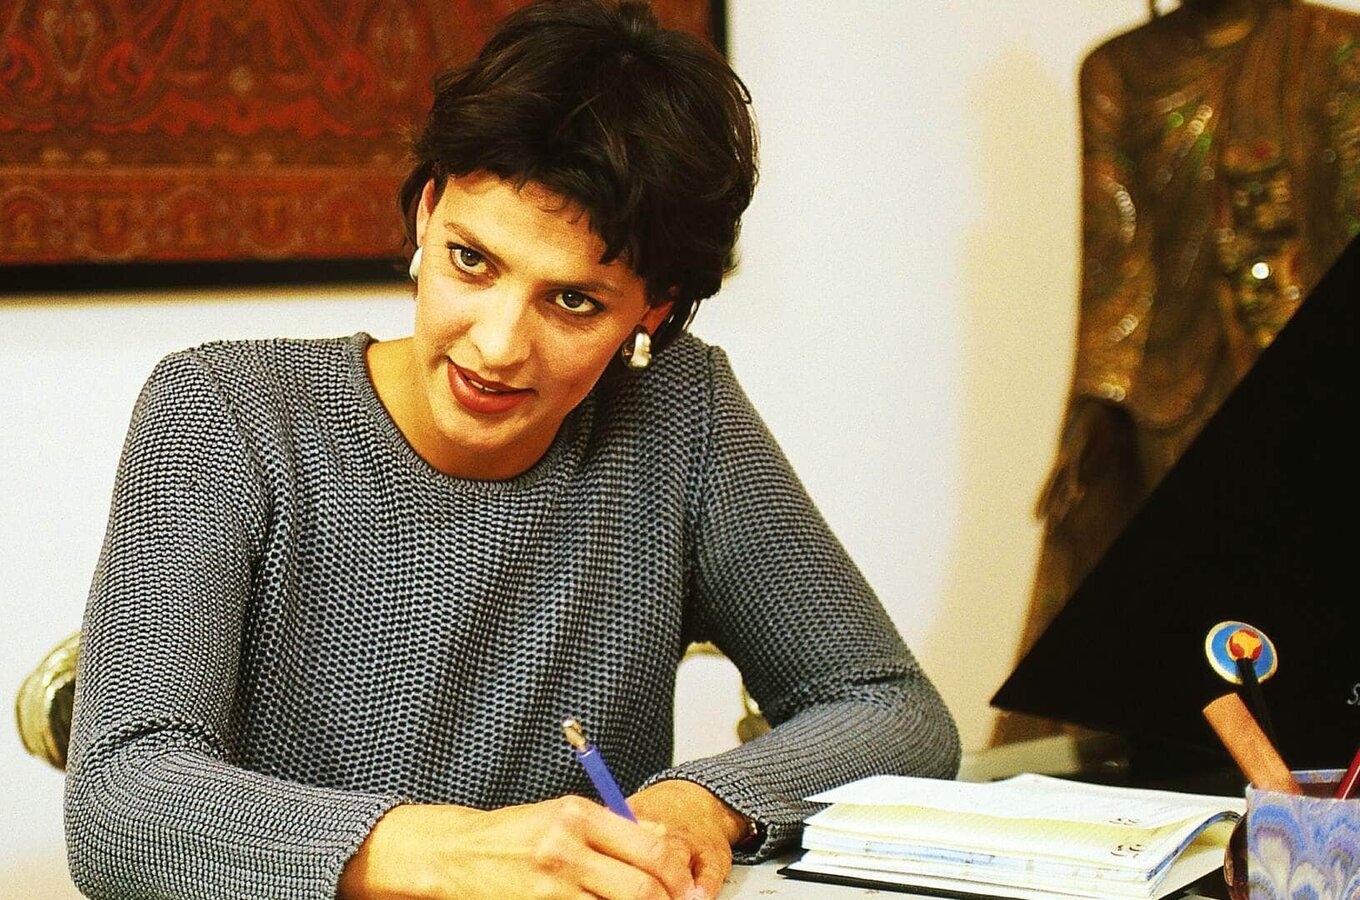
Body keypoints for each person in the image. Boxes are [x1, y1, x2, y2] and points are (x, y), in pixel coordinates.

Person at [62, 2, 960, 898]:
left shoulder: (680, 414)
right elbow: (118, 800)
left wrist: (698, 803)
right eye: (472, 262)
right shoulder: (228, 408)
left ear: (651, 311)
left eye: (573, 302)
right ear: (427, 213)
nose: (496, 346)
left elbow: (894, 710)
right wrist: (456, 857)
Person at [999, 0, 1360, 745]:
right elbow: (1115, 247)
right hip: (1177, 383)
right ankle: (1206, 757)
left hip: (1320, 380)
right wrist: (1098, 403)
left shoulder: (1334, 46)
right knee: (1200, 610)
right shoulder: (1118, 71)